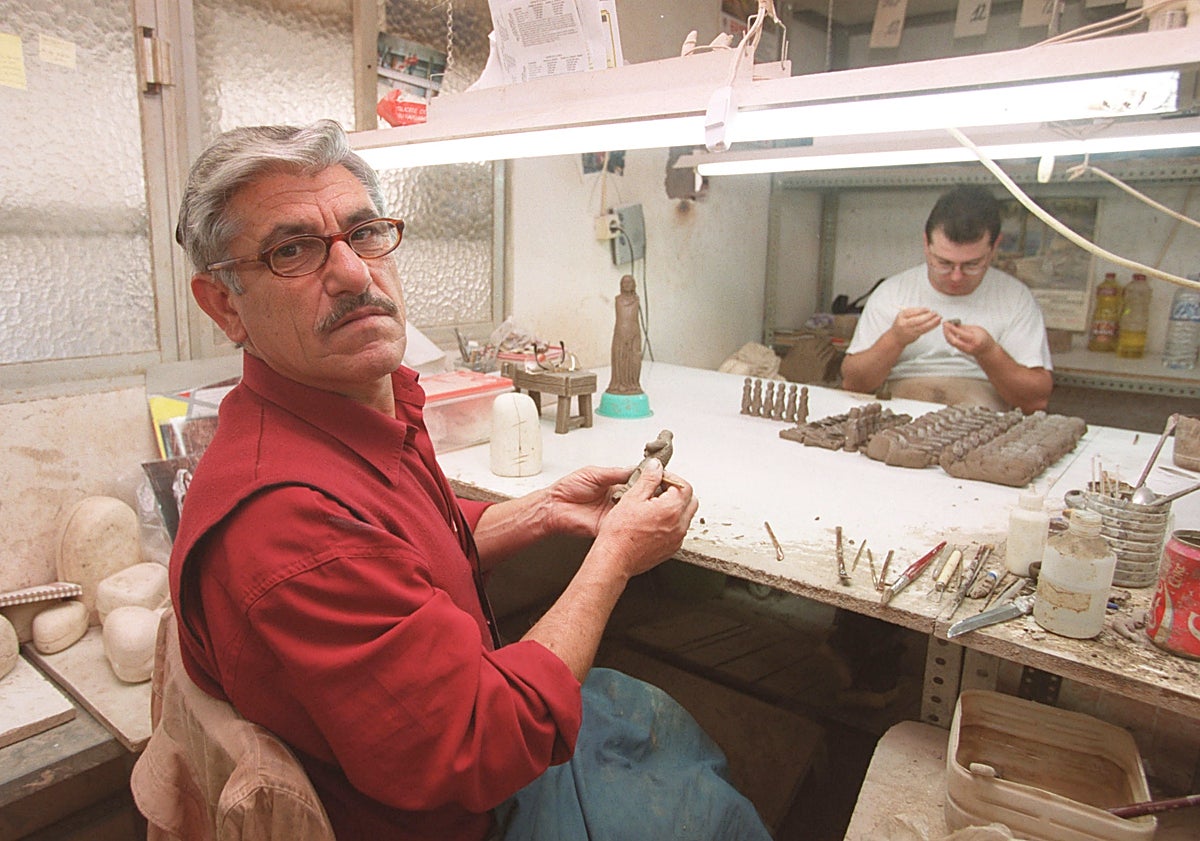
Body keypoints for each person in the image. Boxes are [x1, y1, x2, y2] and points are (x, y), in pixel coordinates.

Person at [162, 120, 771, 841]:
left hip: (456, 738)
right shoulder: (291, 523)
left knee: (654, 726)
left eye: (363, 233)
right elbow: (490, 743)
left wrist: (545, 509)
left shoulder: (349, 409)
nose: (354, 273)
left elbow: (404, 545)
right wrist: (614, 559)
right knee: (702, 803)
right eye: (291, 251)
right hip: (469, 809)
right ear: (224, 304)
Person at [840, 184, 1053, 414]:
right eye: (944, 263)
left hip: (981, 413)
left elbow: (1036, 400)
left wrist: (988, 352)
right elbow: (854, 383)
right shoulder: (892, 292)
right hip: (900, 408)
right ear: (926, 244)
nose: (956, 276)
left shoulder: (1016, 298)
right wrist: (895, 339)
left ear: (994, 248)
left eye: (972, 265)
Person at [606, 273, 644, 395]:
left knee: (635, 359)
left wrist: (632, 333)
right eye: (624, 282)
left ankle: (633, 383)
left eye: (630, 282)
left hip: (634, 334)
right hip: (620, 334)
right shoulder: (618, 299)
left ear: (634, 285)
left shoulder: (636, 300)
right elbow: (621, 319)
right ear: (621, 285)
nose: (627, 285)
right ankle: (619, 384)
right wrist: (623, 333)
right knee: (620, 358)